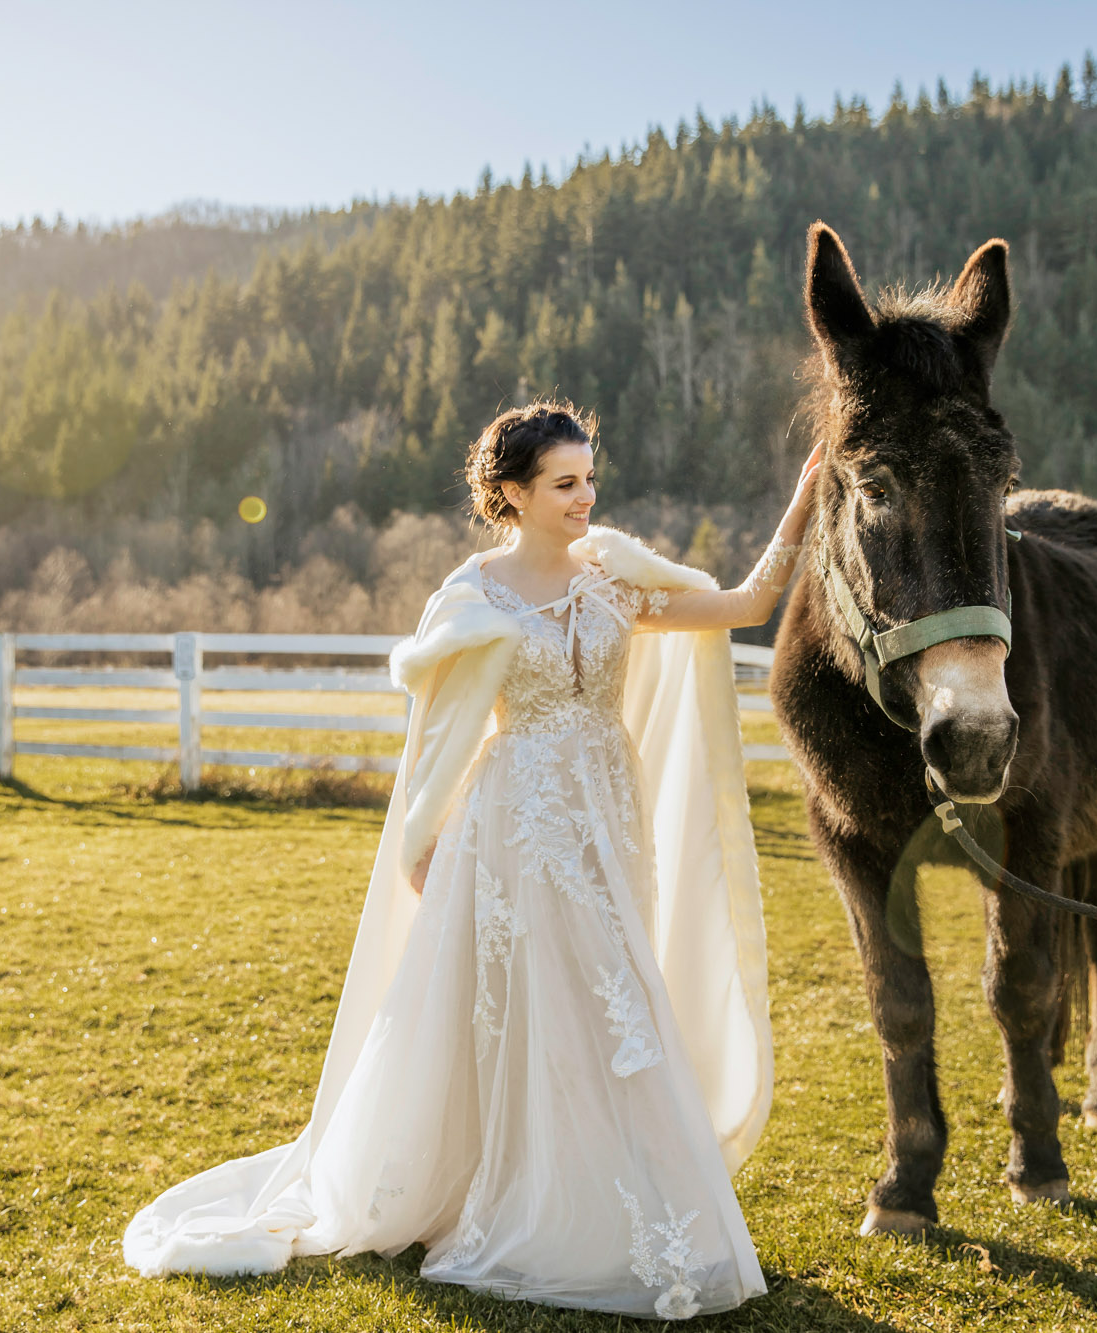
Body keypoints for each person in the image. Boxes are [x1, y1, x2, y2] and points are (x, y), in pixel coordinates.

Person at [123, 401, 821, 1319]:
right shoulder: (472, 596)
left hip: (608, 818)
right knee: (541, 1003)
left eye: (589, 478)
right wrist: (422, 839)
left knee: (615, 997)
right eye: (565, 483)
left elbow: (746, 605)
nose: (586, 497)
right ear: (513, 493)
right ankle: (523, 1198)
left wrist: (807, 497)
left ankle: (625, 1197)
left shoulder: (615, 577)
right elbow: (436, 739)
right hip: (514, 823)